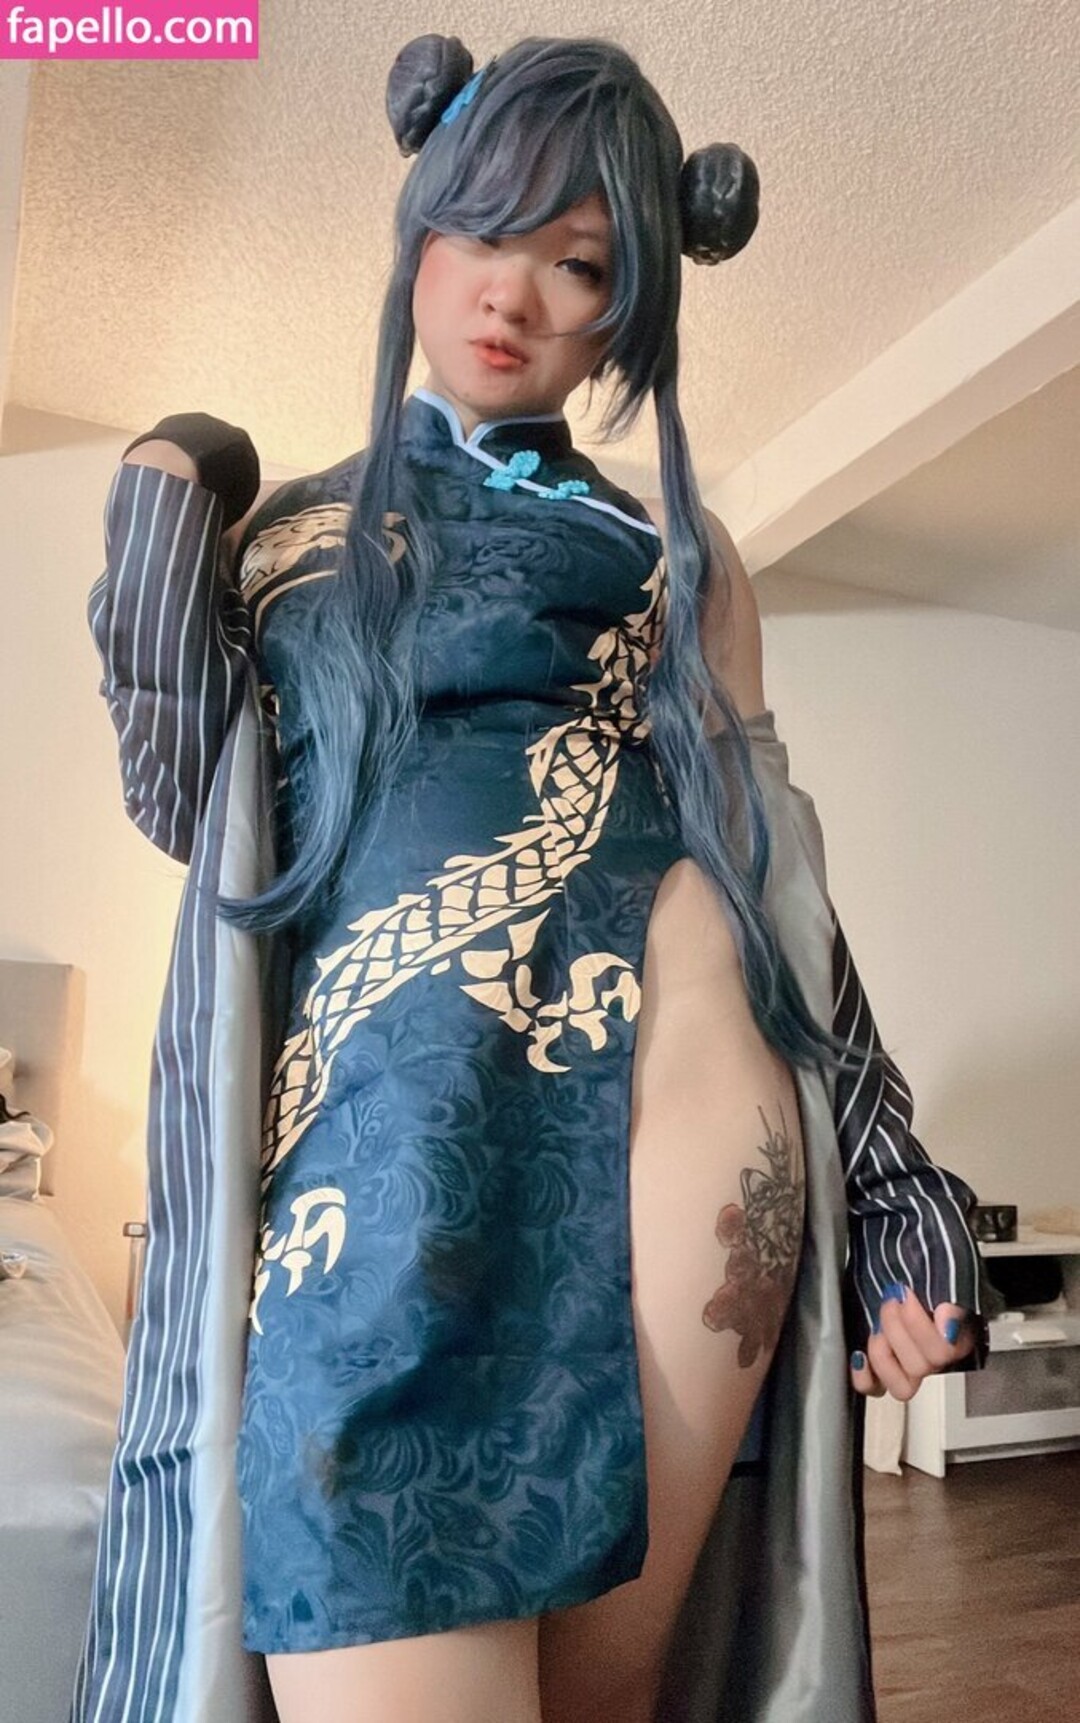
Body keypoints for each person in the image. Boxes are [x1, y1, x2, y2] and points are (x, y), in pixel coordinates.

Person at [74, 34, 990, 1723]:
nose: (514, 292)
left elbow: (767, 877)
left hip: (675, 1118)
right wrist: (170, 485)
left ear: (627, 313)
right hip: (376, 1165)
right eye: (485, 228)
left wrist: (889, 1182)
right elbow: (185, 801)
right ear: (420, 218)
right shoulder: (286, 542)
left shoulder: (673, 564)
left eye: (579, 264)